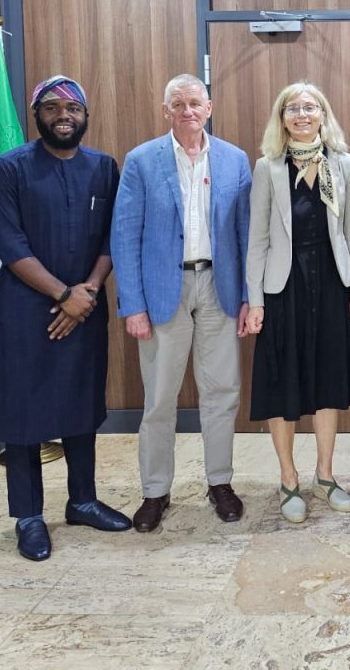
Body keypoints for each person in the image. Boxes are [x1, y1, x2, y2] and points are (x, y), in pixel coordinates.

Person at [0, 75, 132, 560]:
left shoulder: (103, 167)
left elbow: (114, 236)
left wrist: (86, 292)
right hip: (26, 309)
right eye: (51, 107)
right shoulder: (9, 168)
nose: (63, 116)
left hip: (86, 304)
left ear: (86, 115)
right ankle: (29, 516)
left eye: (72, 108)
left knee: (81, 403)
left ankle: (82, 501)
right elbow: (9, 243)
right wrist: (63, 295)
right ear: (37, 115)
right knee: (22, 412)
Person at [111, 73, 251, 532]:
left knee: (222, 392)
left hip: (219, 288)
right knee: (159, 398)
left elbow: (246, 234)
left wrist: (248, 297)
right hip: (162, 292)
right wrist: (132, 305)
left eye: (195, 103)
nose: (188, 111)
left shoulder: (234, 159)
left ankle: (220, 482)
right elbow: (124, 236)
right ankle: (155, 491)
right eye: (178, 104)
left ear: (209, 108)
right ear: (165, 110)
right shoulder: (141, 161)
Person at [243, 82, 350, 523]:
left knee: (328, 379)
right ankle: (289, 479)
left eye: (309, 107)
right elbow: (257, 239)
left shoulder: (341, 163)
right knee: (283, 381)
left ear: (322, 115)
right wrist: (255, 300)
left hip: (331, 284)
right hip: (283, 287)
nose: (301, 114)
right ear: (282, 118)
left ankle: (325, 476)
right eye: (292, 108)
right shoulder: (268, 167)